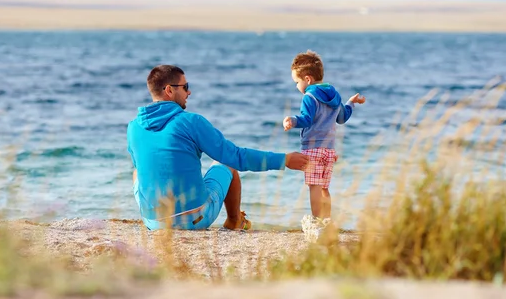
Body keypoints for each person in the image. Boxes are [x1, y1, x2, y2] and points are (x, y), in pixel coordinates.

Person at [127, 65, 309, 230]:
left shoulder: (133, 127)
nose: (189, 92)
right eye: (185, 87)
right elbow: (235, 156)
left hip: (152, 222)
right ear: (169, 90)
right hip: (194, 218)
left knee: (137, 171)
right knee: (227, 164)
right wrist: (283, 159)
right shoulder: (190, 121)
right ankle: (234, 220)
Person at [282, 50, 366, 235]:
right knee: (325, 188)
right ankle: (327, 222)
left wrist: (292, 120)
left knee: (314, 187)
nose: (297, 86)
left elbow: (306, 119)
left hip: (312, 148)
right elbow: (342, 118)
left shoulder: (309, 97)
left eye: (297, 82)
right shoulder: (334, 95)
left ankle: (317, 225)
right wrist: (351, 103)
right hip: (329, 151)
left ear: (308, 79)